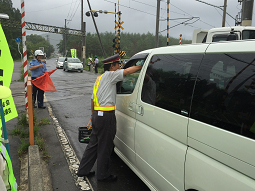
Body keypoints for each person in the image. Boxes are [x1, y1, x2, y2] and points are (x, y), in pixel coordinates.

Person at [77, 54, 143, 182]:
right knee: (105, 146)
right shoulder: (111, 75)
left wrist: (93, 116)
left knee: (93, 145)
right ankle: (103, 175)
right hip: (106, 117)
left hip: (97, 115)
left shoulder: (99, 79)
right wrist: (143, 65)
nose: (119, 67)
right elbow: (128, 71)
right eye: (118, 64)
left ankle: (83, 170)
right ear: (112, 66)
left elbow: (92, 100)